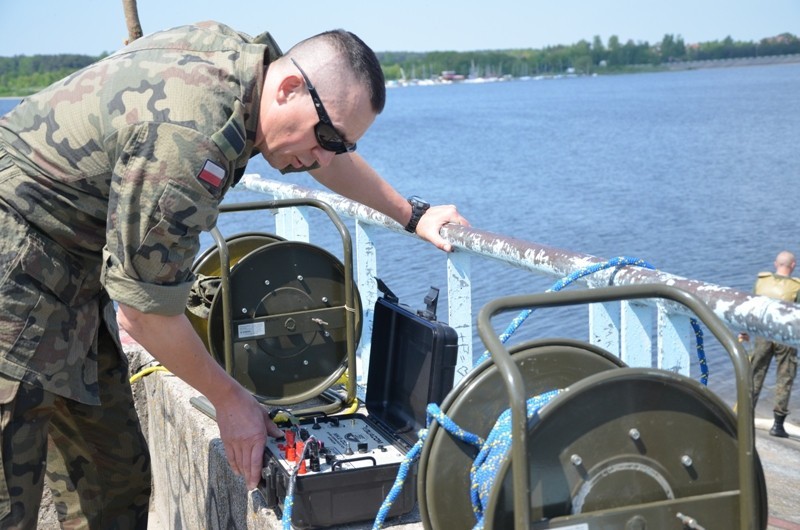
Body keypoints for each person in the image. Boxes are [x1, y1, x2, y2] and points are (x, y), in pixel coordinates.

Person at [0, 21, 469, 528]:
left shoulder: (247, 69)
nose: (324, 155)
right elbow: (144, 314)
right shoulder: (190, 140)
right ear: (290, 88)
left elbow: (321, 157)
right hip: (17, 266)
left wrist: (411, 214)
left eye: (342, 143)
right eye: (329, 135)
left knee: (116, 480)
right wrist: (231, 400)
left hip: (73, 269)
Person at [739, 250, 800, 438]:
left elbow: (751, 308)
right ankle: (778, 426)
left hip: (762, 333)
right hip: (785, 336)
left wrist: (745, 331)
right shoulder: (796, 287)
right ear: (793, 266)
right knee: (785, 377)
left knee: (755, 373)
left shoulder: (761, 282)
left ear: (776, 264)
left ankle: (744, 420)